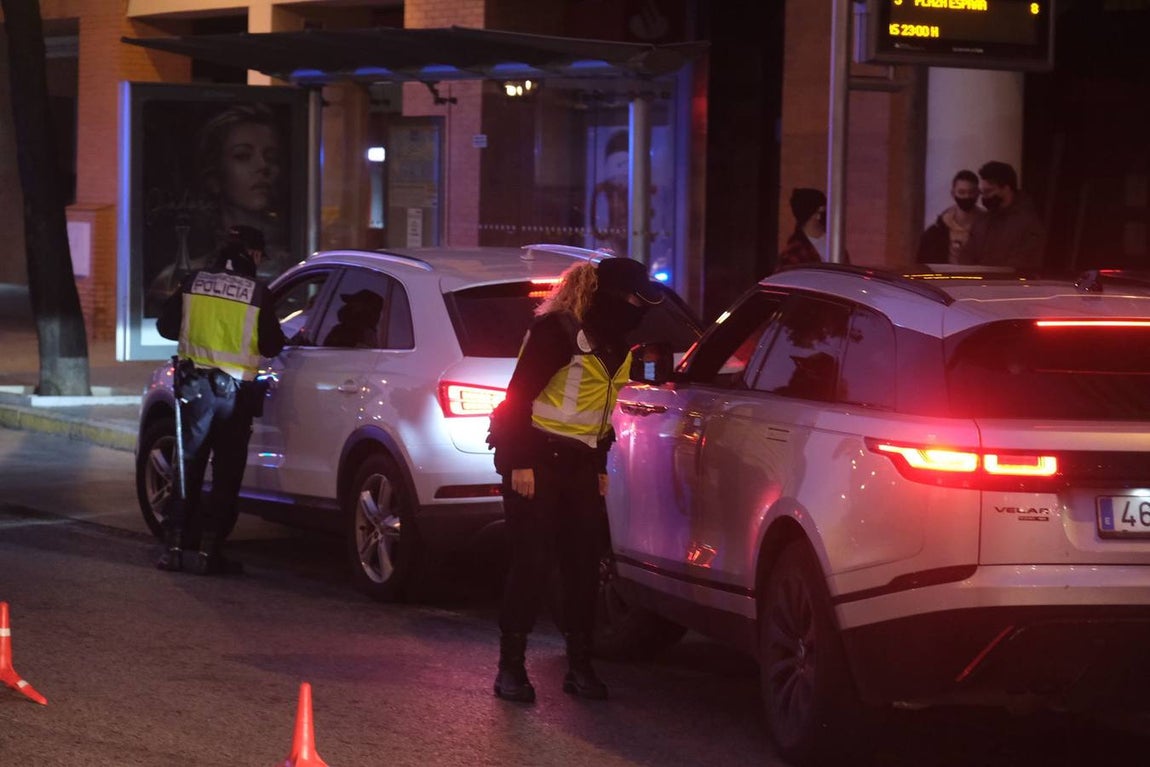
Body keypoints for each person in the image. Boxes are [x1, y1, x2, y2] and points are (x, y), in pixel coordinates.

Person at [487, 256, 662, 704]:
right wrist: (519, 462)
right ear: (610, 295)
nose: (639, 310)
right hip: (537, 459)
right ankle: (511, 668)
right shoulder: (557, 332)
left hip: (580, 464)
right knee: (531, 563)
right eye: (634, 300)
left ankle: (580, 666)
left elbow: (600, 415)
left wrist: (599, 466)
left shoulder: (617, 344)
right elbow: (516, 399)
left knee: (583, 567)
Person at [155, 224, 286, 575]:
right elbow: (273, 344)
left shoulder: (193, 282)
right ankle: (209, 553)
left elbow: (165, 327)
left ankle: (174, 547)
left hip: (194, 389)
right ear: (252, 254)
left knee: (188, 466)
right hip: (234, 396)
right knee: (226, 473)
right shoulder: (257, 293)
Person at [146, 103, 290, 314]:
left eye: (272, 158)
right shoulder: (177, 278)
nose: (263, 166)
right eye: (242, 156)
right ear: (214, 176)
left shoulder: (292, 268)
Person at [958, 160, 1046, 270]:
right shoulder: (982, 221)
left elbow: (1025, 263)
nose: (984, 197)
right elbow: (966, 257)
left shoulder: (1029, 223)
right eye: (983, 192)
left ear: (1006, 188)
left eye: (989, 191)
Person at [916, 169, 984, 264]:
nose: (967, 196)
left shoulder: (989, 227)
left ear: (978, 193)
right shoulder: (935, 232)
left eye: (971, 192)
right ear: (953, 193)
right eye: (961, 192)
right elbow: (923, 265)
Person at [776, 187, 850, 269]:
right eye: (825, 209)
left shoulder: (836, 246)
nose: (829, 214)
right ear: (817, 215)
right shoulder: (792, 254)